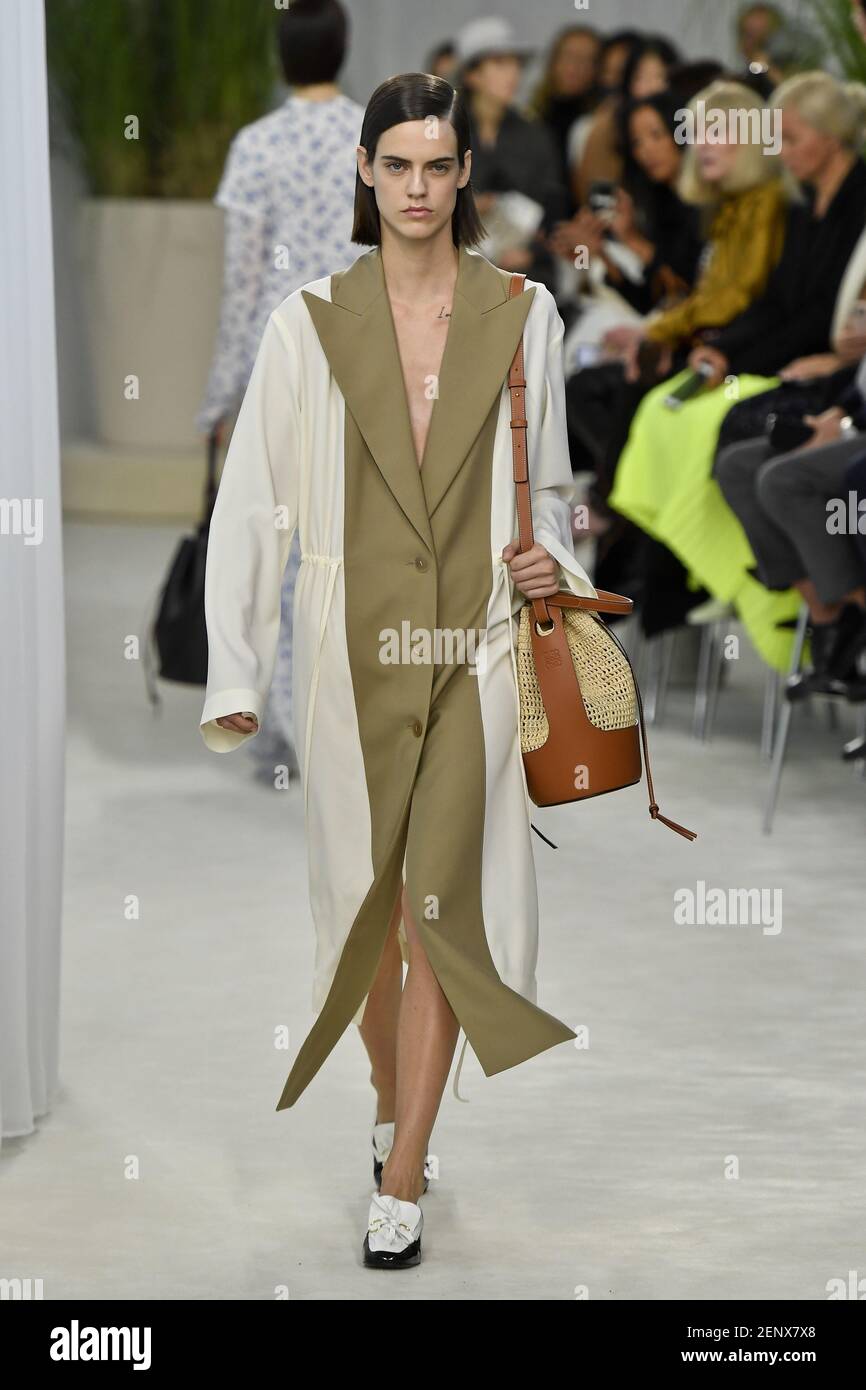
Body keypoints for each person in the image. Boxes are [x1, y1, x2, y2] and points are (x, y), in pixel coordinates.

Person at [198, 71, 598, 1270]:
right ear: (364, 172)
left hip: (472, 645)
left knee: (436, 914)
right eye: (398, 166)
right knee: (368, 924)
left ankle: (407, 1168)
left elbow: (553, 489)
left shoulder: (523, 315)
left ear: (464, 174)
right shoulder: (307, 319)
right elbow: (251, 503)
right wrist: (236, 667)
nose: (418, 188)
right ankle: (388, 1107)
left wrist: (553, 566)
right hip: (343, 647)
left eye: (439, 166)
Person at [608, 71, 866, 667]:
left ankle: (821, 616)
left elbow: (807, 310)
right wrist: (727, 353)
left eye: (792, 137)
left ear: (831, 138)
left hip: (836, 375)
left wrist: (729, 351)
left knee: (745, 435)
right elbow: (778, 303)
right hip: (803, 363)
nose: (780, 150)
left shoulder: (824, 203)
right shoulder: (802, 205)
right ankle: (818, 617)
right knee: (710, 433)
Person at [196, 0, 365, 783]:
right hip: (365, 355)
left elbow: (240, 282)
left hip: (281, 361)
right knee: (345, 548)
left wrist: (220, 398)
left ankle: (283, 724)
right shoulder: (376, 140)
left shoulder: (257, 146)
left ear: (281, 53)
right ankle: (325, 720)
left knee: (277, 546)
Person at [455, 16, 568, 290]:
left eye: (516, 64)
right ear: (472, 74)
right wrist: (468, 207)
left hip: (524, 270)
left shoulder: (535, 135)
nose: (513, 73)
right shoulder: (443, 132)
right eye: (499, 63)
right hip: (454, 269)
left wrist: (532, 253)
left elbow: (555, 211)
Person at [528, 24, 602, 204]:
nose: (577, 66)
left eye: (587, 60)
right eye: (570, 56)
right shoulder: (530, 117)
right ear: (554, 62)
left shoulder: (597, 123)